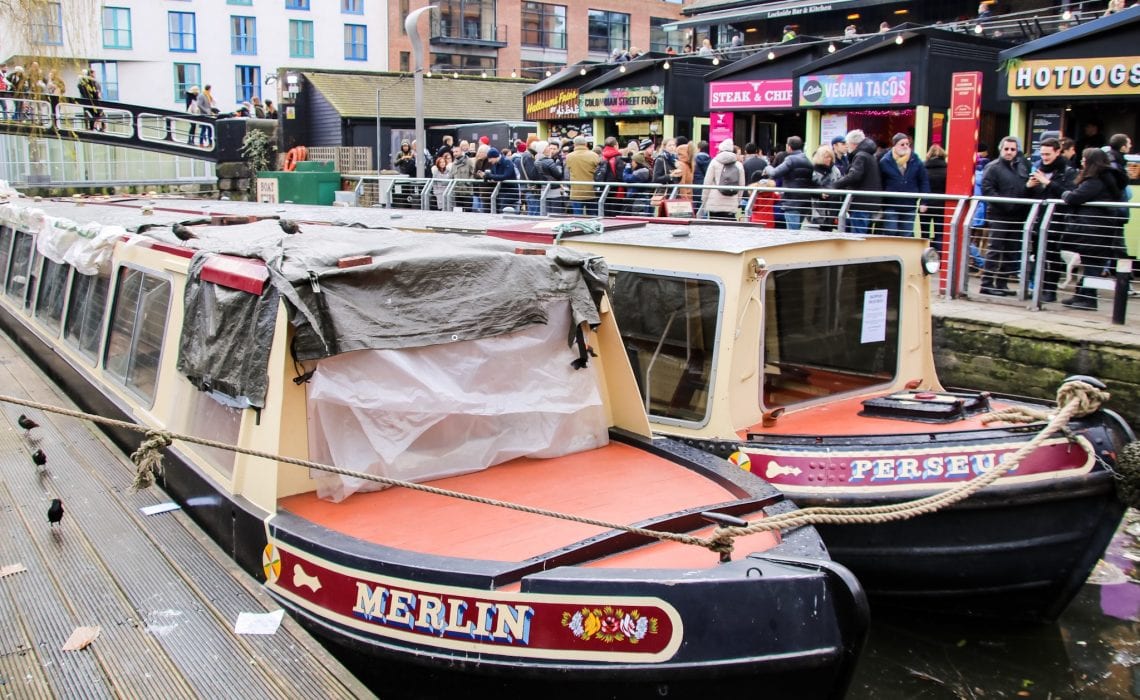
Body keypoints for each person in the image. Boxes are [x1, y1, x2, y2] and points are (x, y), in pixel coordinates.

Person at [1059, 148, 1129, 309]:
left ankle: (1088, 298)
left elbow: (1074, 198)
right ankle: (1081, 295)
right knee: (1091, 263)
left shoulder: (1096, 181)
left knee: (1092, 264)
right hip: (1099, 227)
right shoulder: (1107, 179)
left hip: (1093, 228)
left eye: (1084, 159)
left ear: (1091, 162)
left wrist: (1065, 194)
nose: (1082, 161)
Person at [1026, 137, 1078, 302]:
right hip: (1039, 217)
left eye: (1048, 154)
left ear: (1057, 152)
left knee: (1052, 256)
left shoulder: (1068, 171)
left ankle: (1050, 290)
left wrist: (1047, 183)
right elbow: (1030, 194)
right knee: (1036, 255)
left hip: (1057, 219)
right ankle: (1036, 287)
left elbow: (1069, 193)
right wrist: (1028, 187)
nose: (1045, 158)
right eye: (1042, 154)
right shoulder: (1039, 169)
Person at [979, 136, 1031, 296]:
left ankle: (1002, 283)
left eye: (1012, 149)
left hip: (1017, 215)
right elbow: (987, 190)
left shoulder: (1022, 167)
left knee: (1011, 250)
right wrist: (1007, 204)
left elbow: (1025, 188)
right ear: (1001, 149)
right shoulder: (992, 167)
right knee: (995, 248)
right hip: (999, 214)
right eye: (1006, 149)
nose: (1009, 152)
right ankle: (987, 283)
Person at [878, 133, 930, 237]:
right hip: (891, 204)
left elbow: (923, 181)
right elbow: (880, 183)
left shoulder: (916, 160)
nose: (906, 146)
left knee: (906, 234)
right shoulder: (885, 161)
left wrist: (924, 201)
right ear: (895, 146)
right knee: (890, 231)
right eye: (902, 144)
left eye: (907, 144)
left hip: (909, 204)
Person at [833, 129, 883, 234]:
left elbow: (854, 176)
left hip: (861, 203)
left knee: (858, 234)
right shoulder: (869, 155)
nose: (847, 146)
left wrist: (835, 185)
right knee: (865, 234)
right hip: (870, 202)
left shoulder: (861, 156)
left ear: (853, 143)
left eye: (847, 143)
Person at [761, 136, 814, 230]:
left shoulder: (790, 160)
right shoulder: (807, 160)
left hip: (792, 202)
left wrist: (767, 167)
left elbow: (774, 173)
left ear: (789, 147)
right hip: (805, 202)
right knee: (796, 230)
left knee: (792, 232)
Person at [702, 139, 746, 220]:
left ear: (720, 150)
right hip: (732, 203)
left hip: (714, 203)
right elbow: (741, 185)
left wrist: (704, 200)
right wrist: (738, 201)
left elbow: (707, 182)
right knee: (729, 229)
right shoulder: (739, 165)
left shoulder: (714, 162)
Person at [919, 144, 948, 250]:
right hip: (941, 206)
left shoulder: (923, 168)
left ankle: (923, 256)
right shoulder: (948, 169)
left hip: (925, 205)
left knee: (925, 234)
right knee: (939, 233)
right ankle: (939, 257)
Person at [565, 134, 601, 215]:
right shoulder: (594, 155)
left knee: (578, 218)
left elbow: (566, 175)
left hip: (576, 192)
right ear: (586, 144)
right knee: (593, 217)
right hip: (591, 191)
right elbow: (598, 172)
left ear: (574, 145)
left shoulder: (569, 157)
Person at [810, 145, 842, 231]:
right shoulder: (812, 170)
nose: (829, 159)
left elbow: (840, 184)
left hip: (832, 206)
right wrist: (819, 193)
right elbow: (808, 186)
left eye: (830, 157)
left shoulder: (835, 170)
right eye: (826, 157)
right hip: (817, 207)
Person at [482, 147, 519, 212]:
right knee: (499, 211)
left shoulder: (507, 162)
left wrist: (490, 176)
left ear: (494, 157)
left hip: (510, 192)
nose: (489, 161)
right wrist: (486, 177)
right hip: (501, 192)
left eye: (490, 158)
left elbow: (505, 176)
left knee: (504, 212)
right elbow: (495, 176)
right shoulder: (495, 164)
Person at [534, 140, 565, 214]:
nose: (550, 149)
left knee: (546, 212)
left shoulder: (536, 161)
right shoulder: (549, 161)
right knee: (556, 212)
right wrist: (558, 165)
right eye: (548, 147)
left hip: (543, 189)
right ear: (544, 149)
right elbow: (559, 174)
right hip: (554, 189)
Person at [450, 144, 477, 210]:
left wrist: (468, 182)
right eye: (454, 152)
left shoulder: (469, 161)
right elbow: (452, 176)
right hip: (457, 192)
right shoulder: (453, 164)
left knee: (468, 211)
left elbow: (473, 173)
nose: (455, 153)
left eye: (456, 151)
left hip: (467, 192)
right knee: (458, 211)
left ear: (461, 152)